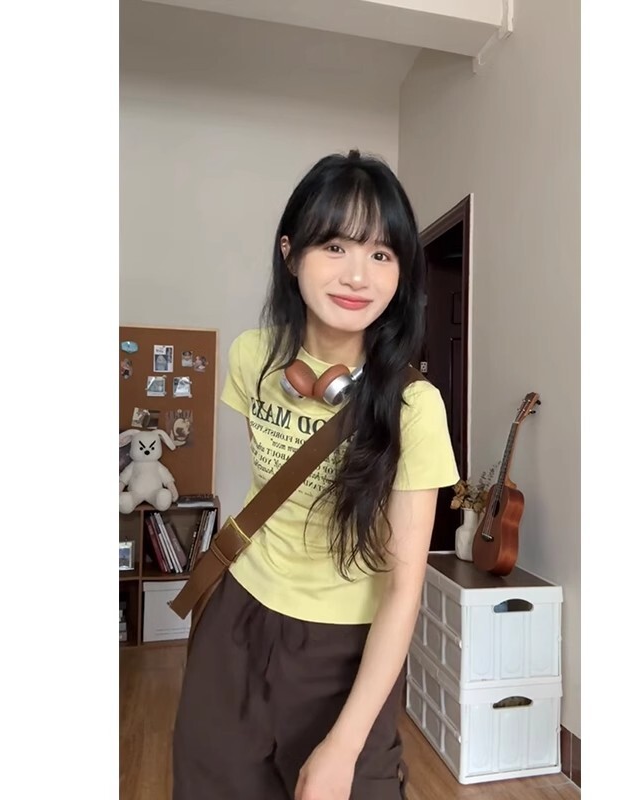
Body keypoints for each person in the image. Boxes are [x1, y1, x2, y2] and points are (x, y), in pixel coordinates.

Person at [172, 149, 459, 800]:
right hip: (236, 619)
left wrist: (346, 744)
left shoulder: (415, 408)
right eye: (335, 246)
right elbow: (268, 484)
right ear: (290, 252)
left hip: (343, 648)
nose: (358, 275)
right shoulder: (251, 357)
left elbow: (404, 587)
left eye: (381, 254)